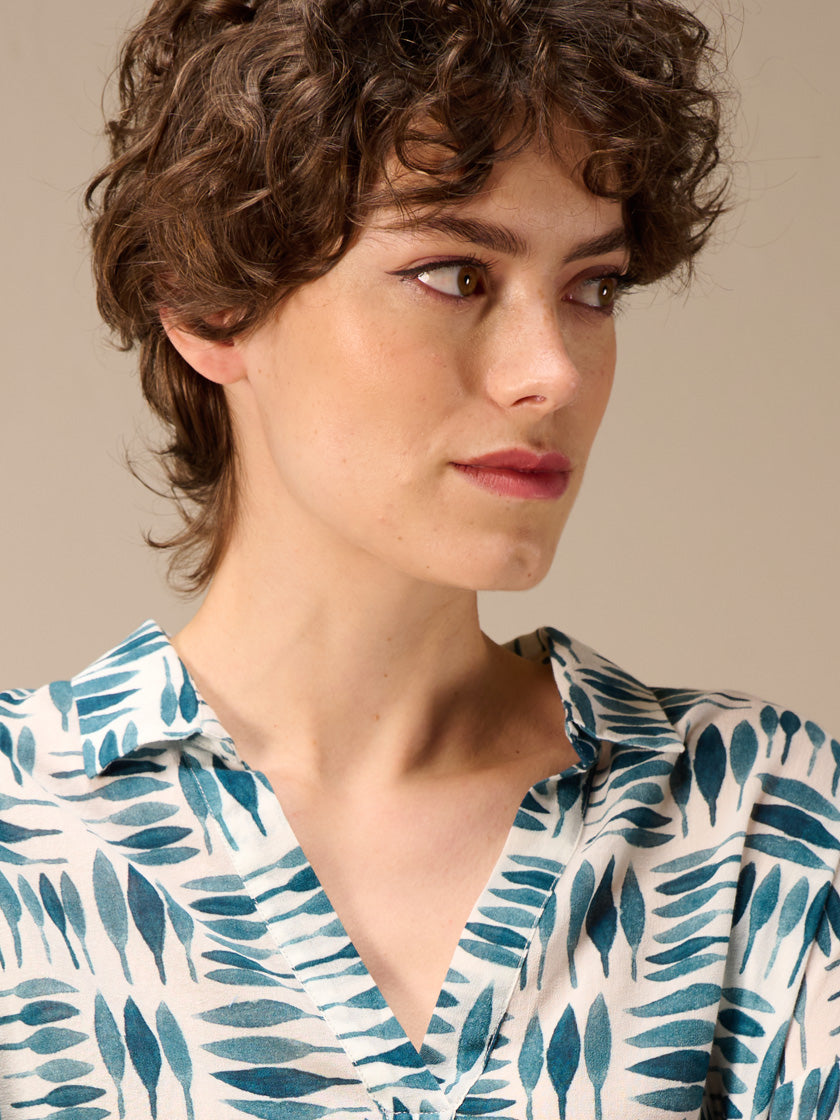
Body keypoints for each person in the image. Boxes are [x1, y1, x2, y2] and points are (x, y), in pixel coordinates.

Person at [0, 0, 837, 1116]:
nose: (554, 372)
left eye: (593, 288)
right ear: (210, 306)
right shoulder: (20, 835)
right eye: (455, 274)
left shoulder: (758, 824)